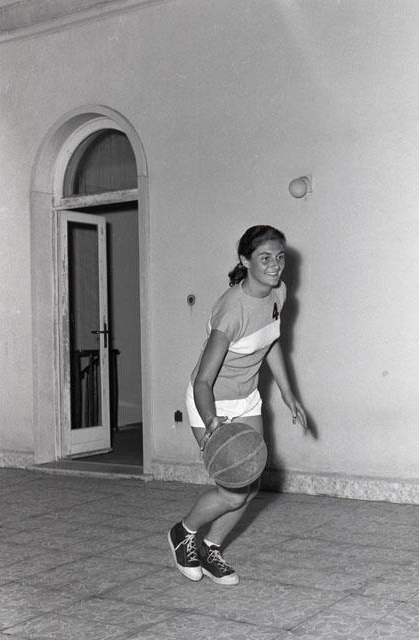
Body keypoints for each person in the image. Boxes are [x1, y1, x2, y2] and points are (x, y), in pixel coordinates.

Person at [168, 225, 307, 586]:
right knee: (232, 493)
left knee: (251, 484)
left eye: (280, 257)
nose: (275, 265)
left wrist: (288, 392)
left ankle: (210, 548)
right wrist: (213, 422)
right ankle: (184, 533)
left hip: (246, 398)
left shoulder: (279, 292)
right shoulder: (232, 310)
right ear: (245, 261)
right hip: (211, 401)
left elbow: (269, 341)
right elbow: (203, 380)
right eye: (265, 258)